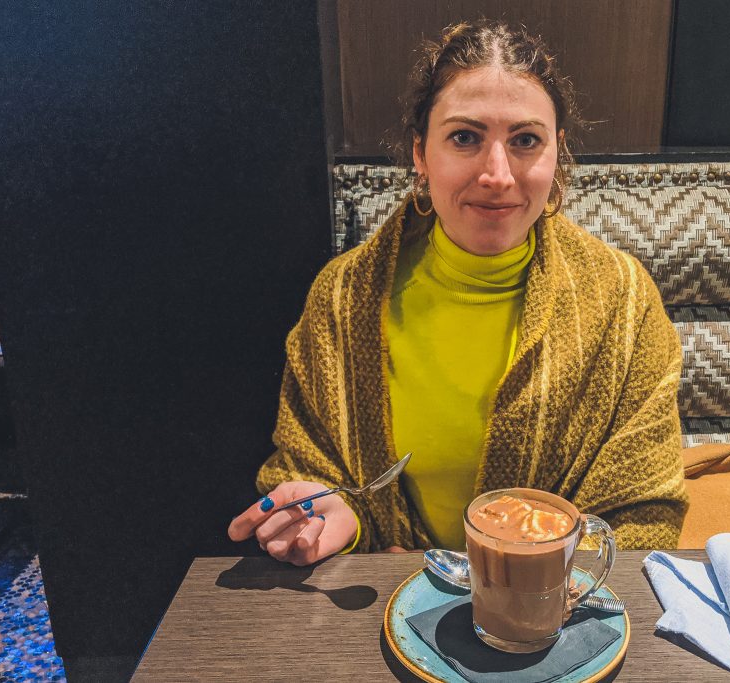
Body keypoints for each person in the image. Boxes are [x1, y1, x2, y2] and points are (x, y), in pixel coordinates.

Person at [227, 19, 688, 565]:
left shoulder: (625, 302)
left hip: (552, 623)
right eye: (465, 138)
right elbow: (311, 464)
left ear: (556, 154)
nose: (497, 173)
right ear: (421, 153)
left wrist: (506, 585)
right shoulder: (343, 297)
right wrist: (337, 517)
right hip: (387, 607)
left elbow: (646, 508)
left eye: (525, 141)